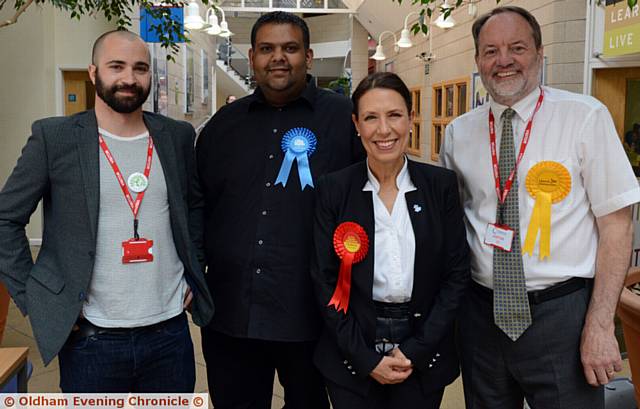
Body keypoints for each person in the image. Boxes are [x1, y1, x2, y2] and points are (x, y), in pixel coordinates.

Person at [440, 6, 640, 409]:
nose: (504, 61)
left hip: (562, 315)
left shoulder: (585, 117)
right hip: (481, 315)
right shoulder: (459, 133)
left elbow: (617, 225)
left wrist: (601, 325)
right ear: (478, 60)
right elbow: (453, 227)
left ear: (539, 52)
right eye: (491, 51)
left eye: (517, 47)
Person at [0, 30, 214, 392]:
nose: (129, 78)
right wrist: (36, 299)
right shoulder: (56, 137)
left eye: (140, 68)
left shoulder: (176, 136)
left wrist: (193, 271)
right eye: (117, 66)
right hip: (90, 340)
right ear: (93, 71)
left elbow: (193, 207)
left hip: (170, 335)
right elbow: (5, 220)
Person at [196, 11, 364, 409]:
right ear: (252, 56)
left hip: (314, 315)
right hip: (232, 314)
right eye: (268, 49)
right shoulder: (222, 127)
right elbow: (198, 205)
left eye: (290, 48)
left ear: (308, 56)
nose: (278, 58)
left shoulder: (344, 120)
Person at [311, 72, 470, 409]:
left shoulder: (440, 185)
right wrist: (365, 358)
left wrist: (415, 350)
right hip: (351, 351)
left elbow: (456, 275)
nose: (384, 130)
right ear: (356, 124)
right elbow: (324, 280)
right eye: (371, 117)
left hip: (422, 349)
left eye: (394, 115)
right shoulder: (334, 189)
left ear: (411, 119)